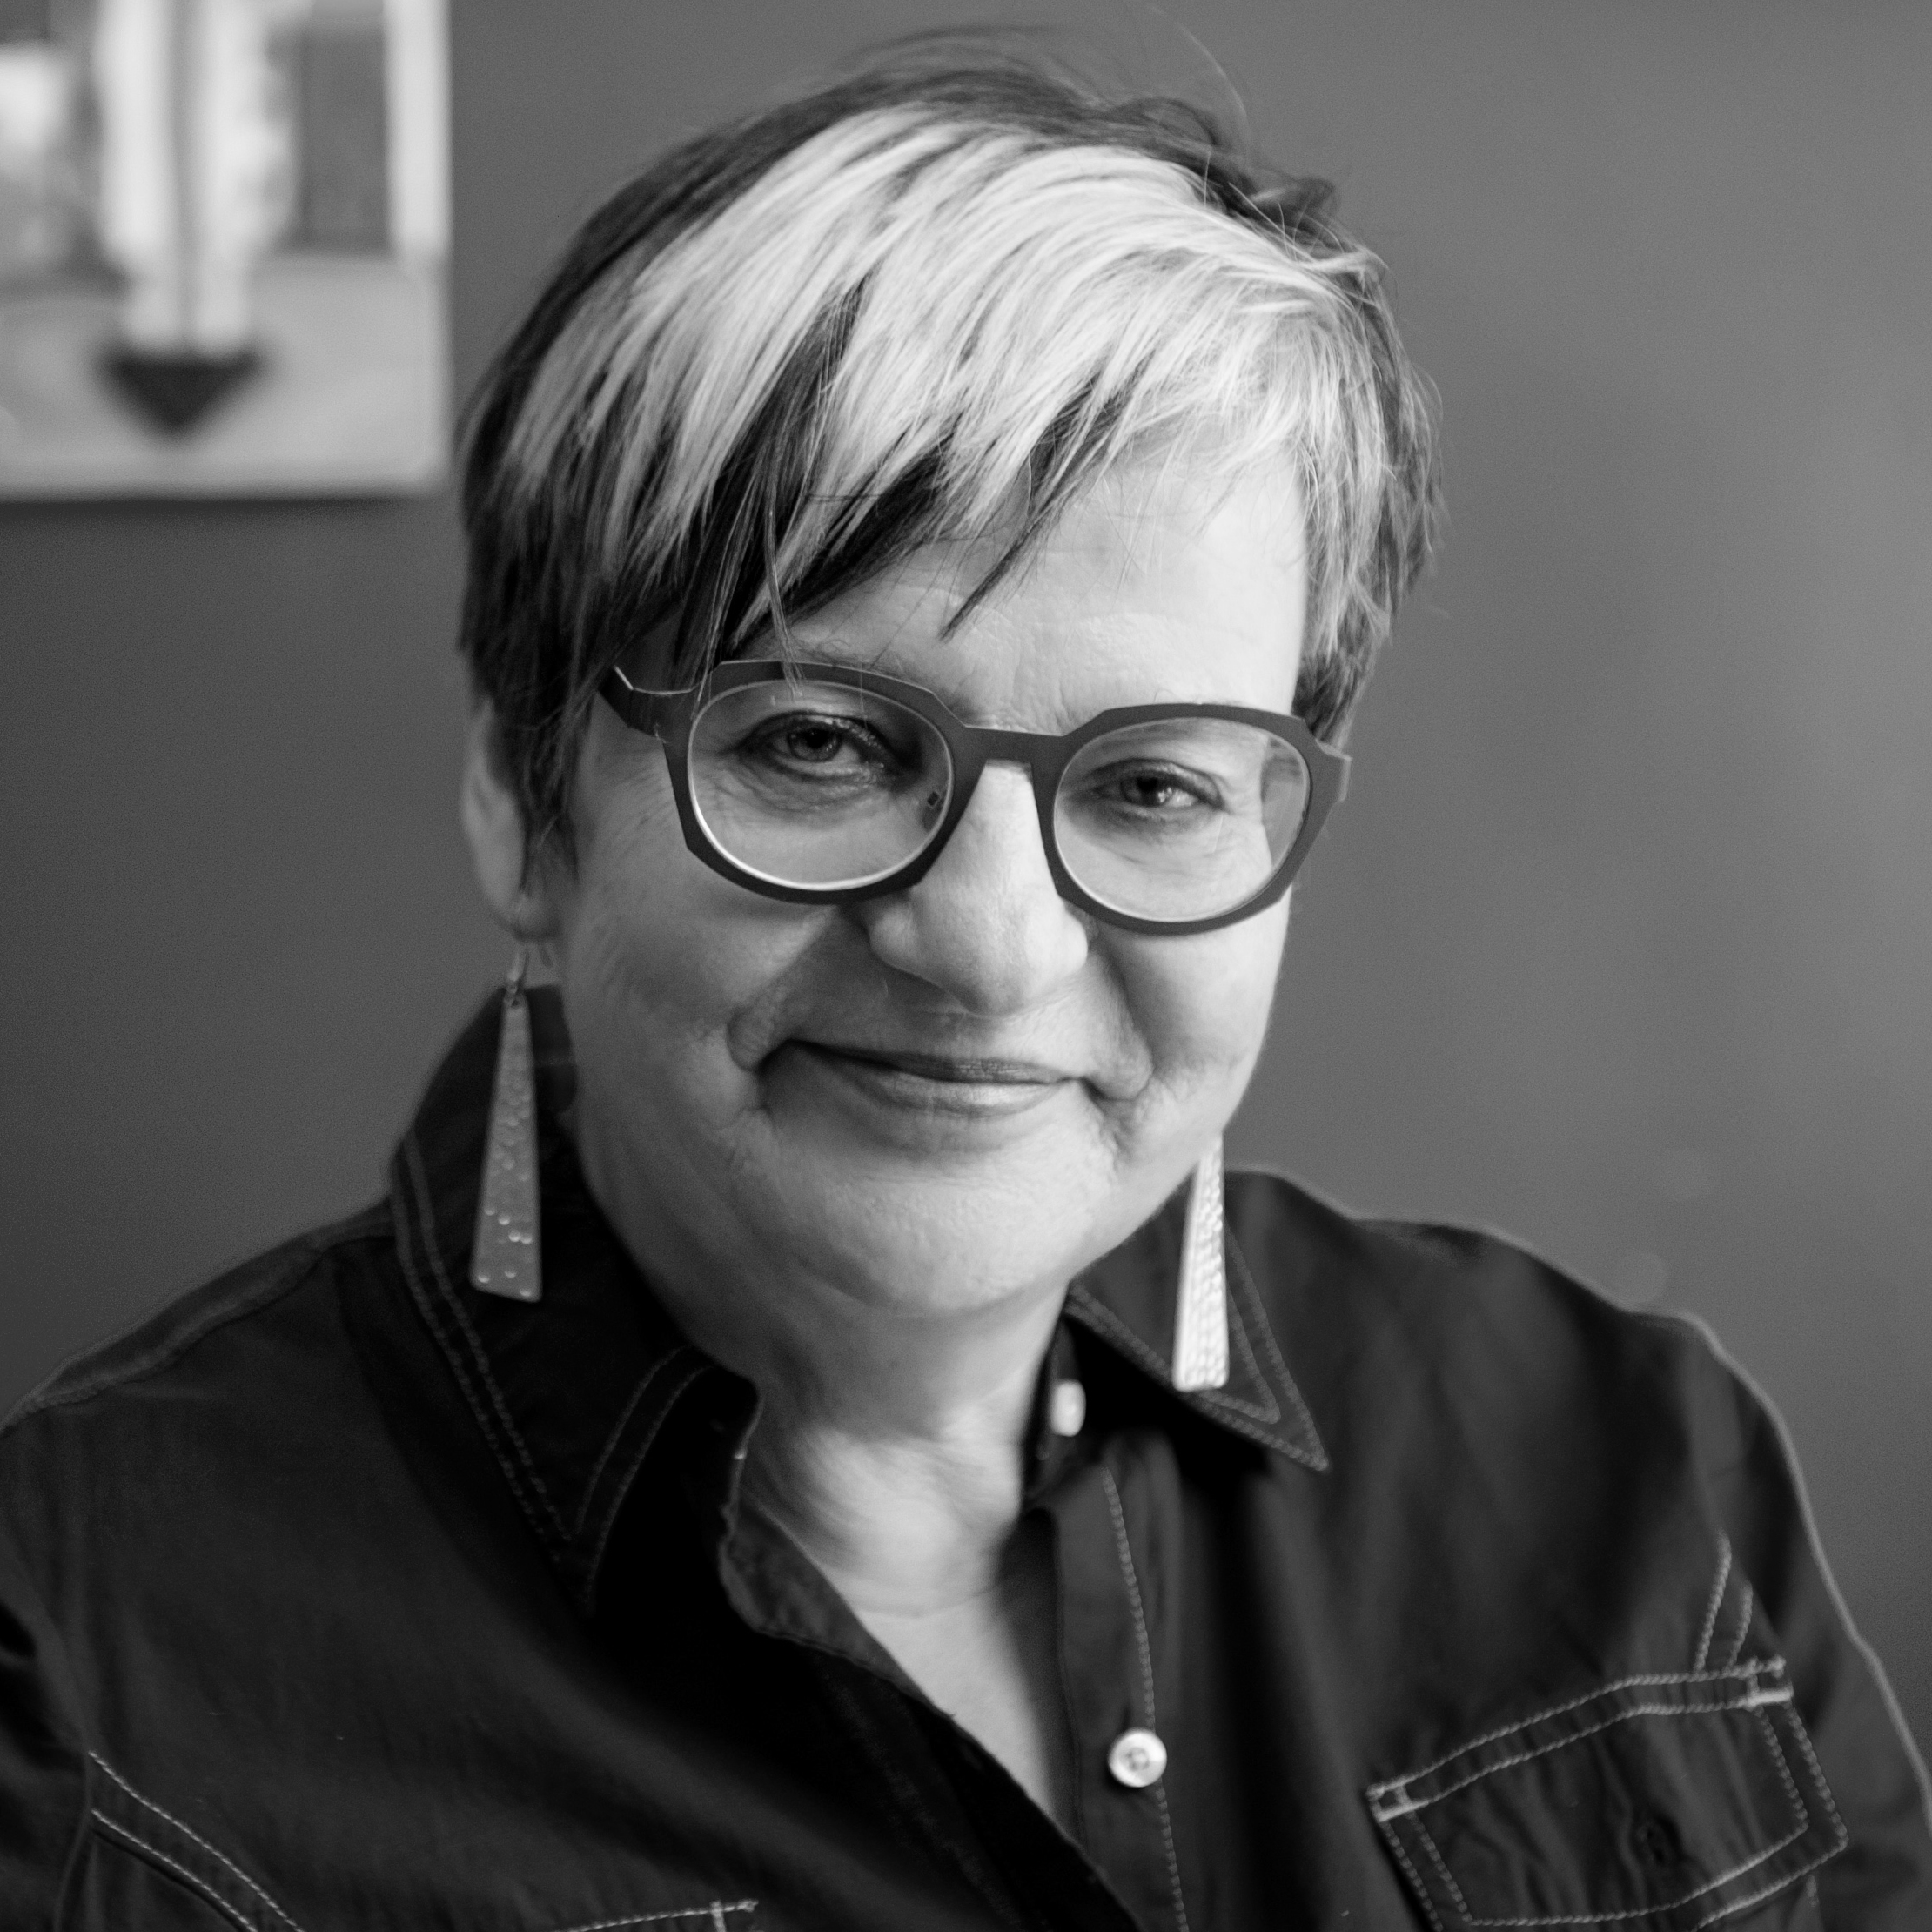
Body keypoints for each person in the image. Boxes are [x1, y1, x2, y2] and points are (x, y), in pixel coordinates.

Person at [3, 48, 1928, 1932]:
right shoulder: (89, 1688)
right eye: (823, 745)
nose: (993, 945)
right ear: (525, 799)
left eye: (1155, 784)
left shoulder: (1631, 1476)